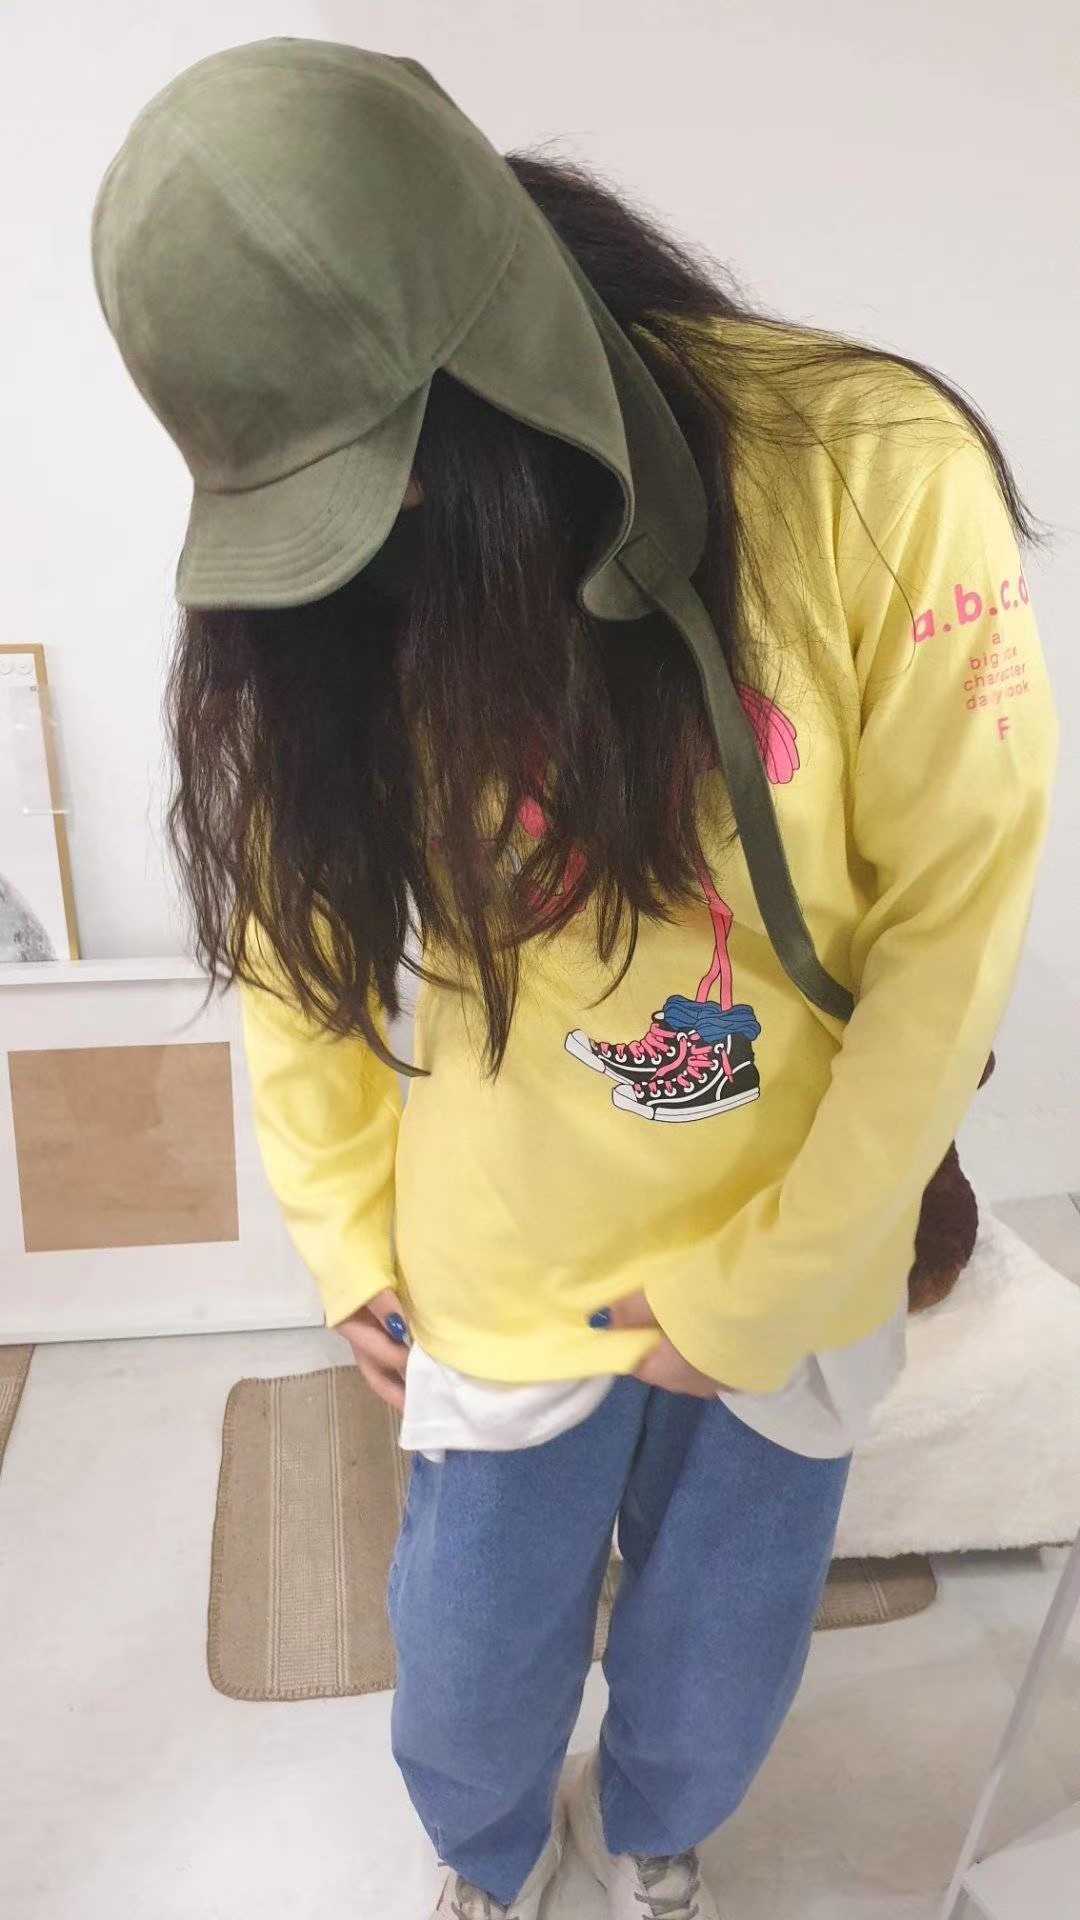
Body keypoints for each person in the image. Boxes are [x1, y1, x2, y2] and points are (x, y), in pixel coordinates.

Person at [92, 39, 1058, 1920]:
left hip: (797, 1237)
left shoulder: (871, 473)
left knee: (722, 1654)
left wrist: (769, 1286)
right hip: (502, 1266)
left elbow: (952, 932)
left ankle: (657, 1839)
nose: (376, 535)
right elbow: (293, 928)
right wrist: (343, 1232)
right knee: (468, 1670)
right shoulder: (333, 581)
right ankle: (487, 1860)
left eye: (385, 476)